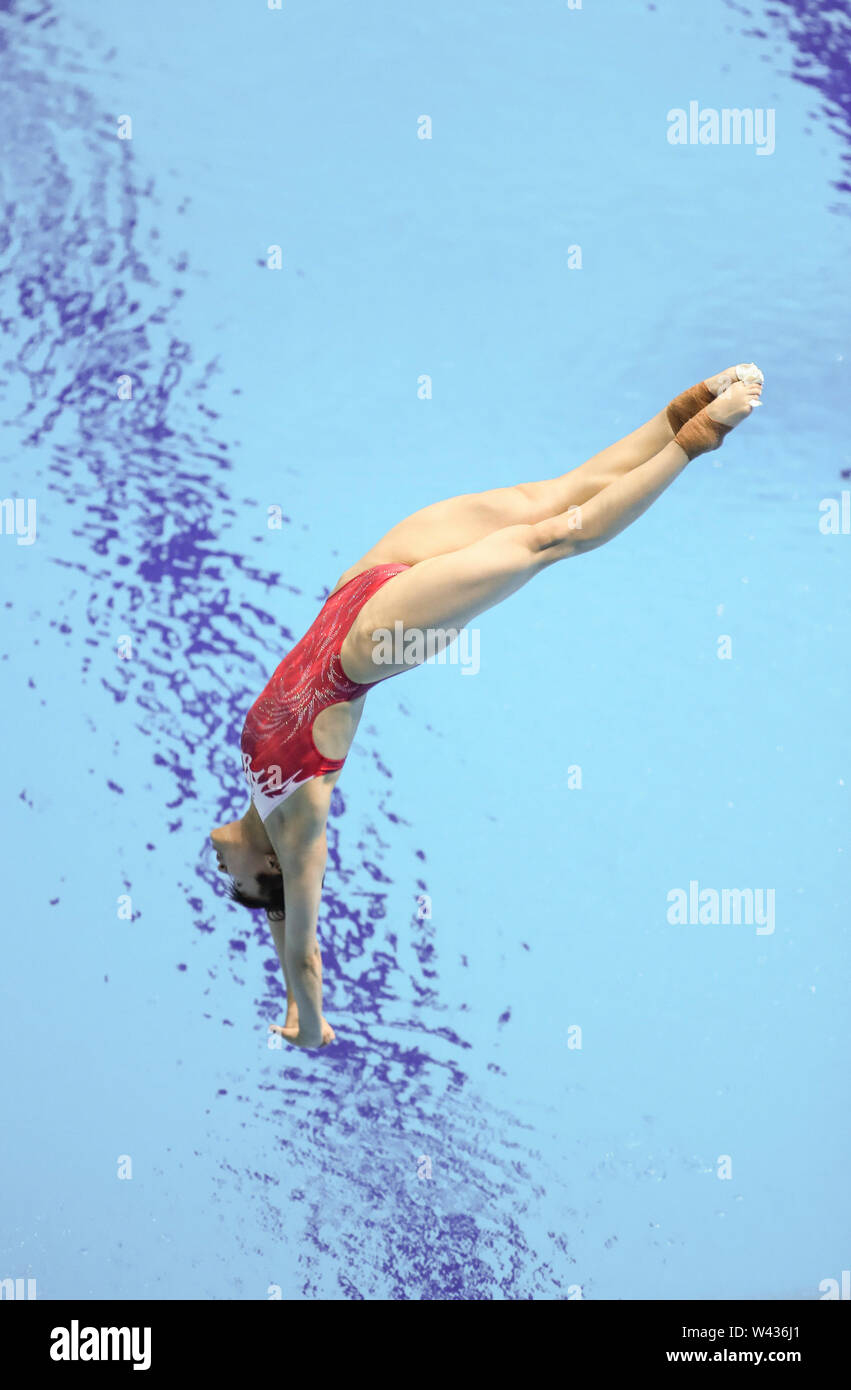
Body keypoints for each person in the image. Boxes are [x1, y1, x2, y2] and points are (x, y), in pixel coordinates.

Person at [211, 364, 764, 1049]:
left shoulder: (265, 819)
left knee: (547, 509)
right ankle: (693, 428)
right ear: (269, 873)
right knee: (551, 528)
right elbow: (299, 943)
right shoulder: (297, 824)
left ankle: (683, 421)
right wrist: (309, 1020)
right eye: (235, 884)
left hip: (360, 607)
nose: (220, 873)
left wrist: (297, 1003)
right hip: (365, 619)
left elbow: (278, 923)